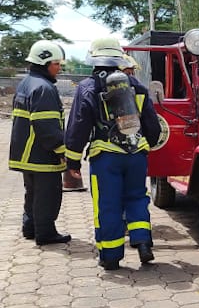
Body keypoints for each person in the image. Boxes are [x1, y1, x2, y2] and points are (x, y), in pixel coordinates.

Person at [65, 38, 161, 270]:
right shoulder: (136, 85)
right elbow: (152, 125)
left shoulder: (88, 87)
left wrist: (73, 160)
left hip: (106, 158)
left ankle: (110, 256)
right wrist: (147, 145)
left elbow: (78, 127)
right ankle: (143, 242)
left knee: (107, 204)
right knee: (137, 197)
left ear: (94, 58)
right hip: (136, 155)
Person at [8, 40, 71, 245]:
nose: (59, 68)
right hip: (42, 154)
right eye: (56, 64)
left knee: (33, 193)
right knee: (48, 194)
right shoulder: (44, 88)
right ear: (44, 63)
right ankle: (45, 233)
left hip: (27, 153)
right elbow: (47, 127)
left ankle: (30, 228)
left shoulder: (26, 83)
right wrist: (62, 151)